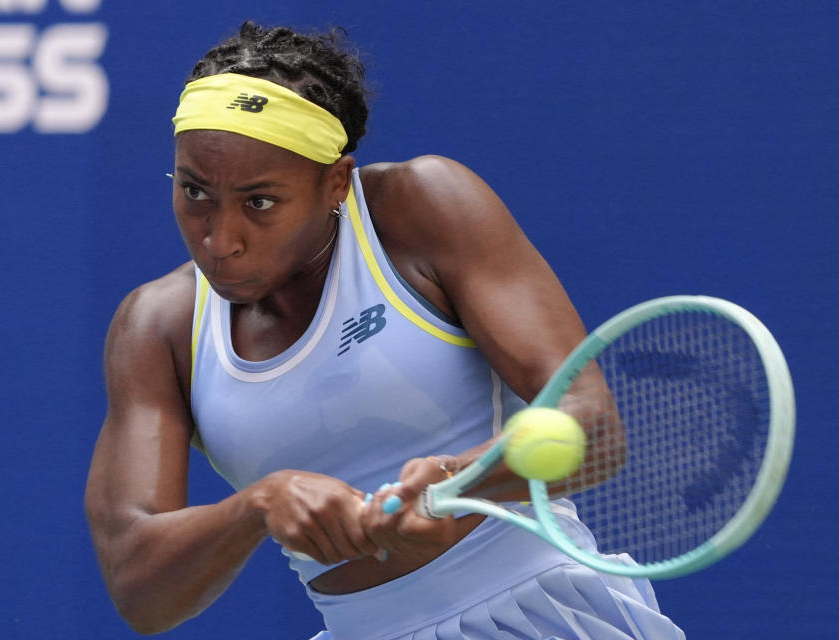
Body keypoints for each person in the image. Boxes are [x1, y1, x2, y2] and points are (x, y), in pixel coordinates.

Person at [84, 21, 686, 640]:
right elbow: (139, 588)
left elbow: (593, 426)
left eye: (259, 202)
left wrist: (460, 478)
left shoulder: (421, 206)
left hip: (544, 615)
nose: (219, 239)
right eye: (194, 192)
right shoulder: (156, 325)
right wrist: (259, 505)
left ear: (335, 183)